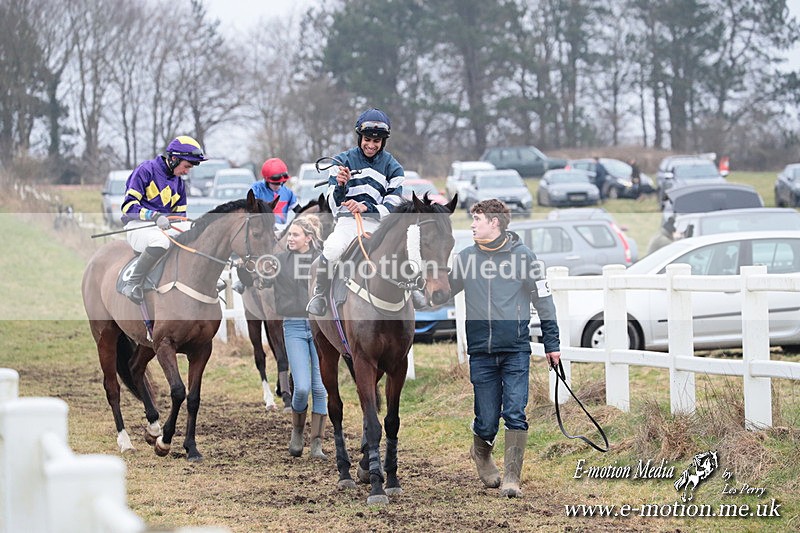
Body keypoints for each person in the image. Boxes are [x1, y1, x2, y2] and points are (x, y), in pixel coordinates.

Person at [449, 199, 561, 498]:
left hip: (515, 349)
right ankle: (482, 454)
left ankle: (512, 476)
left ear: (494, 223)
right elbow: (441, 293)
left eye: (477, 219)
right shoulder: (465, 258)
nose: (472, 224)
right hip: (481, 352)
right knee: (486, 420)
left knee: (515, 411)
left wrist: (552, 344)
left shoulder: (525, 257)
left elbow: (544, 302)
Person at [306, 108, 405, 316]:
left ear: (383, 142)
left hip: (379, 227)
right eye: (367, 139)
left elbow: (394, 205)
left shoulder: (394, 168)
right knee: (332, 249)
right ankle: (320, 293)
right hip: (348, 223)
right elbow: (334, 205)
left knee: (405, 250)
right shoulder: (341, 162)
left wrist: (366, 207)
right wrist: (341, 186)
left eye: (376, 141)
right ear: (360, 137)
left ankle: (414, 290)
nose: (371, 145)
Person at [267, 216, 329, 459]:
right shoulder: (280, 261)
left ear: (308, 239)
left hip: (319, 328)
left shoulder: (322, 261)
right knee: (301, 388)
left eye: (294, 235)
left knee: (320, 387)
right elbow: (261, 277)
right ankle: (296, 432)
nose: (289, 239)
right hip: (293, 325)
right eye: (289, 235)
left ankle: (316, 444)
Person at [120, 135, 207, 304]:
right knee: (160, 242)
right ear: (174, 159)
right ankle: (132, 283)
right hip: (138, 226)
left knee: (197, 235)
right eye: (186, 166)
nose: (186, 171)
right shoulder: (146, 170)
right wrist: (155, 216)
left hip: (164, 227)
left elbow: (181, 216)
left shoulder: (179, 183)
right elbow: (128, 207)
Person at [250, 157, 298, 233]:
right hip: (264, 231)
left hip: (283, 232)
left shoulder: (288, 192)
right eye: (275, 183)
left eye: (281, 183)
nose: (278, 186)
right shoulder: (257, 189)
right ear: (266, 180)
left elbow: (299, 211)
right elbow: (252, 210)